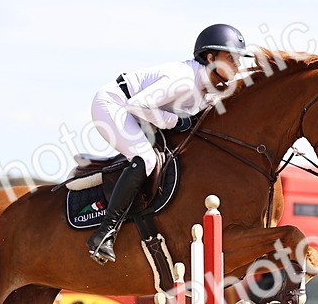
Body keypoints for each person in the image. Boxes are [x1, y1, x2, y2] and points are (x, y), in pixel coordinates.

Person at [86, 23, 253, 264]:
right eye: (231, 58)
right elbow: (137, 105)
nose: (237, 66)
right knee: (145, 158)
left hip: (139, 112)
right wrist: (173, 121)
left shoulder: (209, 87)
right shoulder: (184, 79)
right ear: (210, 57)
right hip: (114, 104)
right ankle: (104, 233)